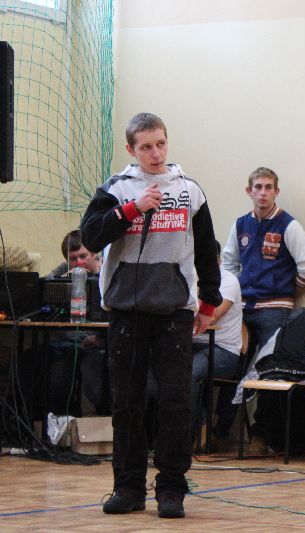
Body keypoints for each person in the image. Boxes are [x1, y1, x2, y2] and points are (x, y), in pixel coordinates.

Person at [80, 112, 222, 519]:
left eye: (160, 143)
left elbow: (206, 251)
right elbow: (90, 236)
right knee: (127, 402)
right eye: (146, 147)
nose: (155, 153)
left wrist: (208, 304)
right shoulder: (116, 188)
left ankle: (171, 489)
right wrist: (130, 210)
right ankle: (128, 487)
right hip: (127, 311)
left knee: (175, 401)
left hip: (174, 311)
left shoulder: (190, 191)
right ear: (131, 149)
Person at [222, 166, 305, 450]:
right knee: (234, 367)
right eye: (258, 187)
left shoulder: (288, 225)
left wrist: (285, 292)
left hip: (275, 310)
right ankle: (221, 430)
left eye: (268, 188)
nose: (262, 193)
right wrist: (235, 292)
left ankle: (261, 436)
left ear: (276, 192)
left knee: (268, 373)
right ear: (249, 191)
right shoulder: (241, 225)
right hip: (242, 310)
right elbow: (228, 264)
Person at [45, 230, 107, 416]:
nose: (79, 262)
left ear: (94, 253)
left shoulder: (107, 271)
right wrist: (64, 280)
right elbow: (43, 286)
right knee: (54, 376)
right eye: (73, 259)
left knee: (98, 378)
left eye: (83, 256)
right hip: (67, 343)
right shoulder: (64, 269)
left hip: (98, 345)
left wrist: (101, 339)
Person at [190, 240, 243, 442]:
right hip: (192, 345)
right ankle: (198, 422)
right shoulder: (187, 278)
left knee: (189, 374)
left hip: (223, 350)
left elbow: (211, 317)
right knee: (159, 372)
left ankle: (191, 434)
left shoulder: (228, 281)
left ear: (219, 261)